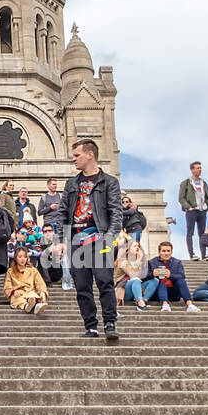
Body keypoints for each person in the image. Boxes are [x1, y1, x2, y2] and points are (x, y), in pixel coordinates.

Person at [48, 139, 124, 339]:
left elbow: (116, 212)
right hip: (76, 241)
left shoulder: (109, 182)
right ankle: (91, 326)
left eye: (76, 155)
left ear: (90, 155)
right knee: (82, 286)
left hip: (100, 238)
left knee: (104, 281)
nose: (73, 159)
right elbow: (62, 212)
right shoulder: (72, 184)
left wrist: (110, 236)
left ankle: (109, 323)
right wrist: (61, 240)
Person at [140, 241, 199, 312]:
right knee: (162, 282)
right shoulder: (151, 262)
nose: (166, 253)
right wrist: (152, 274)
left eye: (168, 251)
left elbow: (182, 276)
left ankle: (190, 305)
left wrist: (170, 275)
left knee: (181, 280)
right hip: (157, 293)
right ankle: (165, 305)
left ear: (171, 252)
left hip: (173, 292)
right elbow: (143, 278)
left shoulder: (177, 262)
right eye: (163, 251)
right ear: (159, 252)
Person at [177, 161, 208, 260]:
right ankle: (192, 254)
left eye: (200, 168)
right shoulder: (185, 183)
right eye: (197, 168)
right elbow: (181, 198)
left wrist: (207, 206)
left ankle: (204, 254)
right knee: (190, 232)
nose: (200, 170)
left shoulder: (204, 183)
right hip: (191, 210)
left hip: (202, 210)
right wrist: (188, 207)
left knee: (203, 233)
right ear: (192, 170)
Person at [3, 246, 49, 315]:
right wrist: (13, 291)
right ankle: (29, 306)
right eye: (20, 257)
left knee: (33, 297)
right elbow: (7, 286)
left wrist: (42, 292)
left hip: (30, 292)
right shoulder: (10, 271)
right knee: (17, 299)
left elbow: (40, 283)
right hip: (18, 293)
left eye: (24, 257)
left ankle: (33, 305)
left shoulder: (33, 270)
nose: (22, 259)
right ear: (15, 258)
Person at [114, 237, 146, 306]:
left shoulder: (139, 261)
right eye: (135, 246)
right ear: (128, 248)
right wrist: (138, 261)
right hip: (123, 289)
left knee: (154, 281)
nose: (137, 248)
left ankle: (145, 300)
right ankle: (140, 302)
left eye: (138, 246)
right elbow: (133, 275)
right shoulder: (122, 261)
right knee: (136, 280)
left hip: (135, 288)